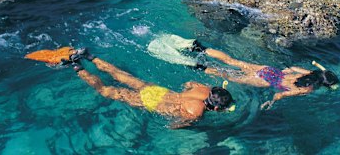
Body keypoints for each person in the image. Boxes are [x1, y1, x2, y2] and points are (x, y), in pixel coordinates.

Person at [65, 48, 235, 128]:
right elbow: (174, 126)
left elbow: (189, 83)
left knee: (121, 75)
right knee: (106, 91)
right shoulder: (197, 113)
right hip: (151, 102)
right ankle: (76, 66)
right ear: (217, 108)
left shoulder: (204, 88)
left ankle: (88, 56)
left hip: (159, 91)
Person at [190, 41, 340, 110]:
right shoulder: (308, 89)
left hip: (271, 71)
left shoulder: (309, 72)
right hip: (266, 80)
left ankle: (200, 48)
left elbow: (291, 68)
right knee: (231, 76)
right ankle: (199, 67)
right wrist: (272, 101)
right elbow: (281, 95)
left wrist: (286, 73)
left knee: (233, 61)